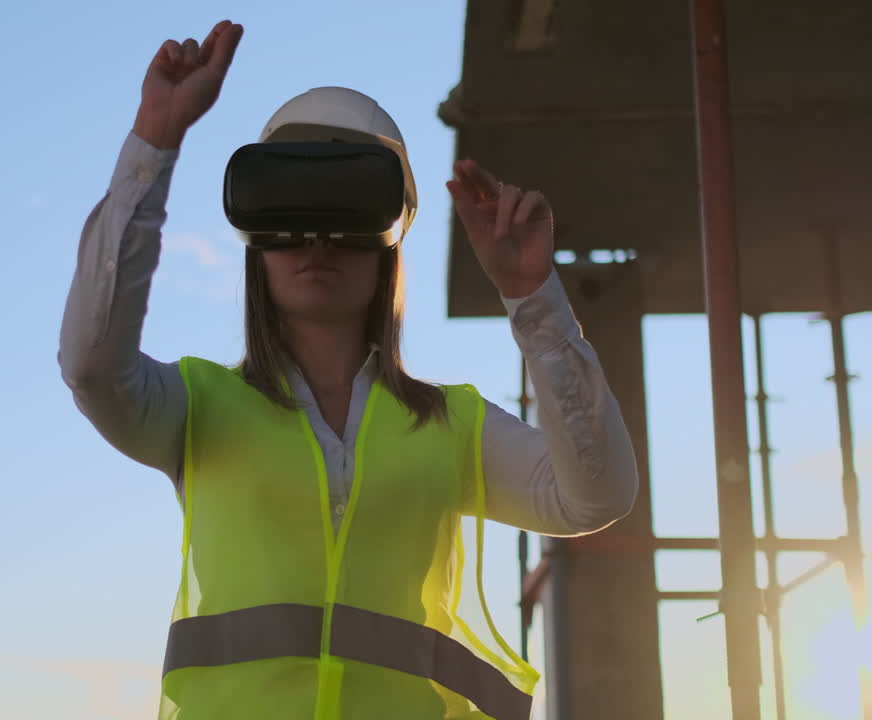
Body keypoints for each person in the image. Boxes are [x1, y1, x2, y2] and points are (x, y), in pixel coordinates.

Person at [59, 19, 639, 720]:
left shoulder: (453, 424)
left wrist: (532, 298)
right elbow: (91, 365)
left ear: (389, 239)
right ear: (255, 239)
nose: (319, 241)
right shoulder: (195, 408)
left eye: (346, 215)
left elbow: (598, 497)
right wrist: (155, 141)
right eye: (291, 215)